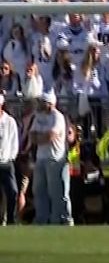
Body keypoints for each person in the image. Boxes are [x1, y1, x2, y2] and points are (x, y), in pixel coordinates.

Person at [28, 92, 71, 226]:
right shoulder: (38, 116)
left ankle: (58, 218)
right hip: (41, 157)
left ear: (50, 104)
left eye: (42, 101)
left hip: (55, 158)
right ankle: (41, 218)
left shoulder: (57, 117)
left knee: (56, 191)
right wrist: (42, 137)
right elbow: (32, 136)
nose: (39, 104)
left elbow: (51, 136)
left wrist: (41, 137)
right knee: (38, 189)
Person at [0, 94, 17, 224]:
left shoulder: (10, 121)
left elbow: (14, 141)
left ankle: (11, 219)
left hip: (6, 162)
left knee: (12, 192)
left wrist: (10, 156)